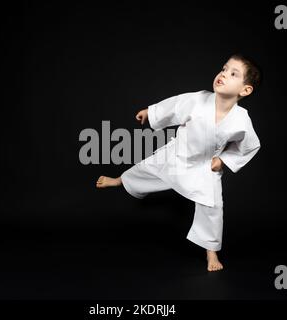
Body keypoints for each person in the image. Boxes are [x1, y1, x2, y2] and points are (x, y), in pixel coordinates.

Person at [96, 54, 261, 272]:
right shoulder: (198, 99)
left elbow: (250, 146)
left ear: (245, 90)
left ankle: (211, 252)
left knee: (212, 207)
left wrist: (223, 160)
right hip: (178, 155)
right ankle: (119, 180)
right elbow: (174, 107)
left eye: (233, 74)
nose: (223, 74)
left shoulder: (241, 120)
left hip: (204, 168)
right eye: (223, 69)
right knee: (147, 167)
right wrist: (151, 112)